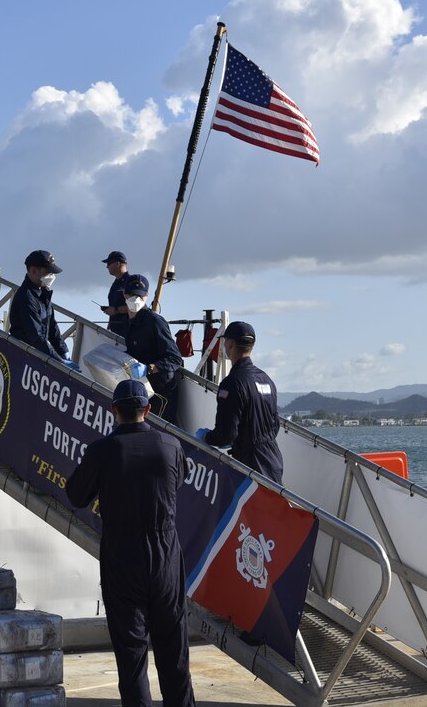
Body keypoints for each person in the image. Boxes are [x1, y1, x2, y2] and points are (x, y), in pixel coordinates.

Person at [66, 380, 196, 707]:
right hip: (165, 552)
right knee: (173, 649)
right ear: (147, 410)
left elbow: (76, 495)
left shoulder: (102, 450)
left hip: (122, 555)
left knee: (132, 652)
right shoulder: (170, 445)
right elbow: (178, 480)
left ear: (114, 411)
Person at [196, 321, 284, 484]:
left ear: (230, 344)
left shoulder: (232, 383)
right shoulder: (266, 380)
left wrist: (206, 437)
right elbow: (275, 425)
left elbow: (226, 435)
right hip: (273, 460)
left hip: (250, 466)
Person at [122, 274, 184, 427]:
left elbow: (175, 358)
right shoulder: (129, 321)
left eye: (139, 296)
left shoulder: (155, 322)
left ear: (146, 296)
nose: (135, 300)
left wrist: (149, 368)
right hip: (142, 390)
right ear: (124, 293)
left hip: (161, 392)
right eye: (131, 295)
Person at [8, 250, 75, 368]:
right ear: (33, 271)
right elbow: (36, 337)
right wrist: (60, 362)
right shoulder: (26, 296)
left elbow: (52, 326)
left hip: (39, 356)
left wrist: (64, 352)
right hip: (25, 359)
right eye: (48, 272)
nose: (52, 276)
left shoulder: (43, 292)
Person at [100, 251, 130, 338]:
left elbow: (137, 307)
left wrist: (116, 310)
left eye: (109, 263)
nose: (107, 266)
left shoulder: (130, 282)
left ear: (117, 263)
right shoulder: (116, 283)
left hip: (127, 333)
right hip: (116, 331)